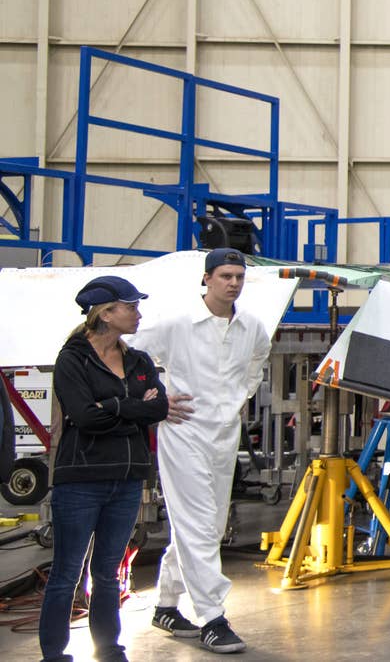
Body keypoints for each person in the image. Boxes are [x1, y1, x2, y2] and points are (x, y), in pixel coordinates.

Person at [128, 248, 272, 654]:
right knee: (196, 525)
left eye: (239, 277)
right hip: (184, 433)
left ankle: (166, 605)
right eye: (225, 275)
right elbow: (126, 352)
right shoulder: (176, 323)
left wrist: (238, 399)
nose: (233, 283)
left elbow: (257, 362)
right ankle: (212, 617)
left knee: (206, 524)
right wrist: (154, 398)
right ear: (206, 279)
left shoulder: (252, 327)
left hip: (224, 435)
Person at [40, 276, 191, 662]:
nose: (138, 314)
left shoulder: (137, 360)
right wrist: (133, 405)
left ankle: (108, 649)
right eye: (130, 307)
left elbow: (157, 409)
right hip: (82, 480)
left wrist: (113, 406)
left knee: (108, 573)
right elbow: (84, 417)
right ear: (105, 314)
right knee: (66, 573)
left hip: (126, 479)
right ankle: (54, 655)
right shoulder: (73, 359)